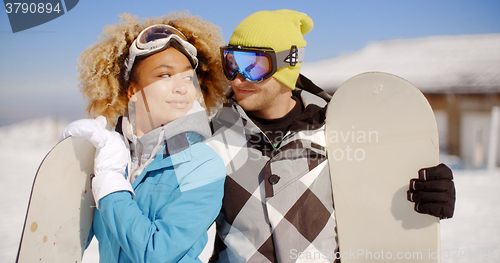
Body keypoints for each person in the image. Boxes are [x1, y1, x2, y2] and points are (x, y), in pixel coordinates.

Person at [206, 9, 456, 263]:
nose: (237, 79)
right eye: (231, 63)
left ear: (287, 65)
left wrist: (429, 194)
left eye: (254, 65)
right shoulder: (212, 139)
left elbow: (378, 196)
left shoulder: (338, 132)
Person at [60, 13, 230, 263]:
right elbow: (70, 240)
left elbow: (157, 253)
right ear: (133, 91)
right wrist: (73, 166)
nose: (182, 87)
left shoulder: (202, 165)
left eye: (187, 77)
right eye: (164, 75)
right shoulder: (114, 156)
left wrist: (111, 184)